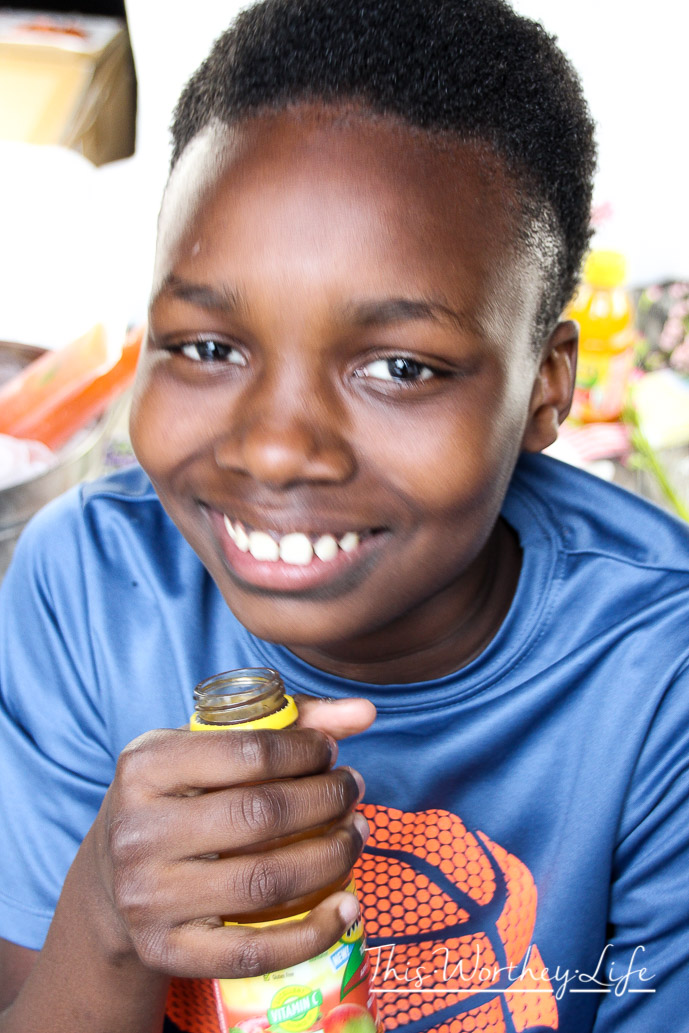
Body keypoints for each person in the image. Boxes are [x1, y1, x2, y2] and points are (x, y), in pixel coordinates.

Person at [1, 1, 688, 1031]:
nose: (275, 447)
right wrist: (105, 911)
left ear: (544, 388)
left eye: (398, 367)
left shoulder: (656, 672)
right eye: (206, 345)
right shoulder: (90, 588)